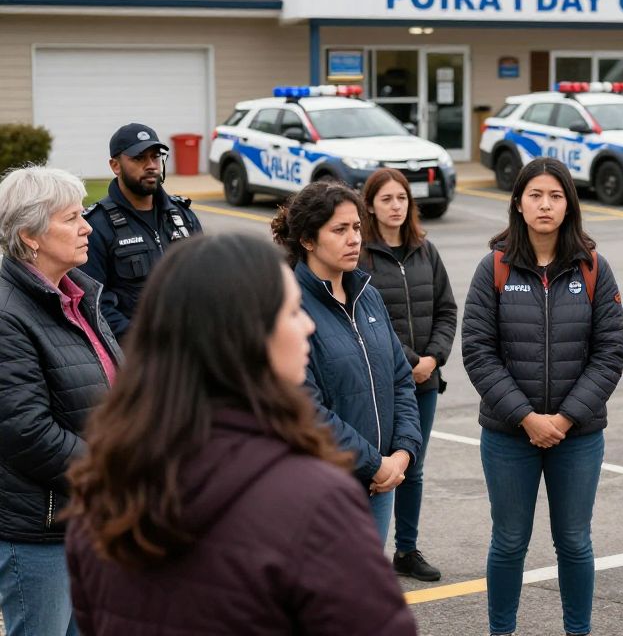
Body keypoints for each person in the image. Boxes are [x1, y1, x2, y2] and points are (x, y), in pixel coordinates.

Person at [64, 234, 416, 635]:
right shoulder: (311, 501)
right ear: (245, 336)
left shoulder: (104, 486)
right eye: (290, 312)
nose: (308, 324)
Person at [462, 157, 623, 636]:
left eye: (556, 196)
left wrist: (567, 418)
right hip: (508, 435)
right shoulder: (493, 267)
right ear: (518, 202)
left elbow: (611, 352)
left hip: (577, 436)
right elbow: (477, 351)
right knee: (509, 542)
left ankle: (579, 631)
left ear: (569, 206)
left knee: (575, 542)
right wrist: (526, 418)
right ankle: (502, 631)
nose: (545, 205)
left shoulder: (594, 268)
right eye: (535, 195)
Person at [0, 166, 118, 636]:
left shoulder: (78, 296)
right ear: (30, 234)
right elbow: (24, 431)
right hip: (41, 532)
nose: (88, 226)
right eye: (72, 218)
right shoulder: (9, 314)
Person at [272, 180, 421, 546]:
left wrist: (401, 454)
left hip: (381, 484)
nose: (354, 238)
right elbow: (304, 408)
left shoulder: (368, 296)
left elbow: (401, 380)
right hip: (324, 489)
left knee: (365, 593)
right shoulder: (289, 304)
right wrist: (374, 463)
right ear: (308, 239)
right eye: (339, 230)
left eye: (356, 227)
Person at [360, 168, 457, 582]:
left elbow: (448, 310)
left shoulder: (425, 250)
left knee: (412, 467)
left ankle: (407, 550)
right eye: (386, 199)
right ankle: (363, 552)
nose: (396, 206)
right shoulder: (361, 256)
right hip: (384, 381)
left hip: (427, 380)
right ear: (370, 206)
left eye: (402, 199)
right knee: (376, 466)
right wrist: (409, 362)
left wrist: (432, 359)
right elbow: (365, 320)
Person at [80, 122, 201, 340]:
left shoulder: (183, 216)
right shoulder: (96, 226)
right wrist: (147, 343)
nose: (151, 165)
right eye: (139, 158)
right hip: (137, 356)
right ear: (115, 165)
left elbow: (208, 280)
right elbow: (95, 304)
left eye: (155, 157)